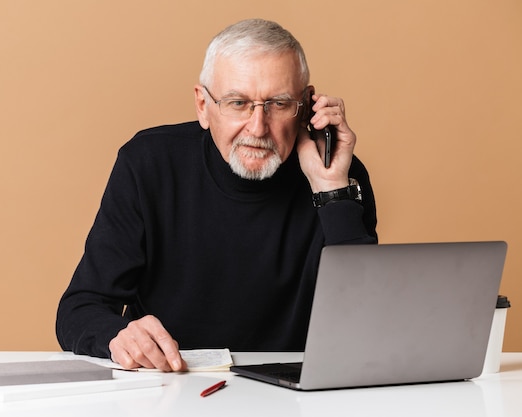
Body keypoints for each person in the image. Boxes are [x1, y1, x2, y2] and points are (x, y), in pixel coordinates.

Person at [56, 18, 377, 372]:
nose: (258, 127)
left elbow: (368, 320)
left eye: (279, 103)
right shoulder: (148, 164)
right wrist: (117, 336)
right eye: (238, 103)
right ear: (202, 105)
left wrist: (332, 191)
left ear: (305, 106)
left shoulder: (339, 175)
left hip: (295, 393)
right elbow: (79, 308)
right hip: (171, 387)